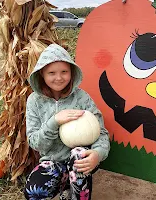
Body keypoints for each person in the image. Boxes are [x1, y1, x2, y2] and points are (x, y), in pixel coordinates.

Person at [24, 44, 110, 200]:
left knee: (78, 156)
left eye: (64, 71)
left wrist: (98, 154)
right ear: (42, 74)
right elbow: (36, 143)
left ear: (72, 72)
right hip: (53, 161)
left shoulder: (82, 98)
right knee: (33, 191)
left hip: (81, 160)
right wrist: (54, 121)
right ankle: (65, 185)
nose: (59, 77)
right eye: (51, 73)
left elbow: (101, 132)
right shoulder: (34, 101)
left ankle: (77, 193)